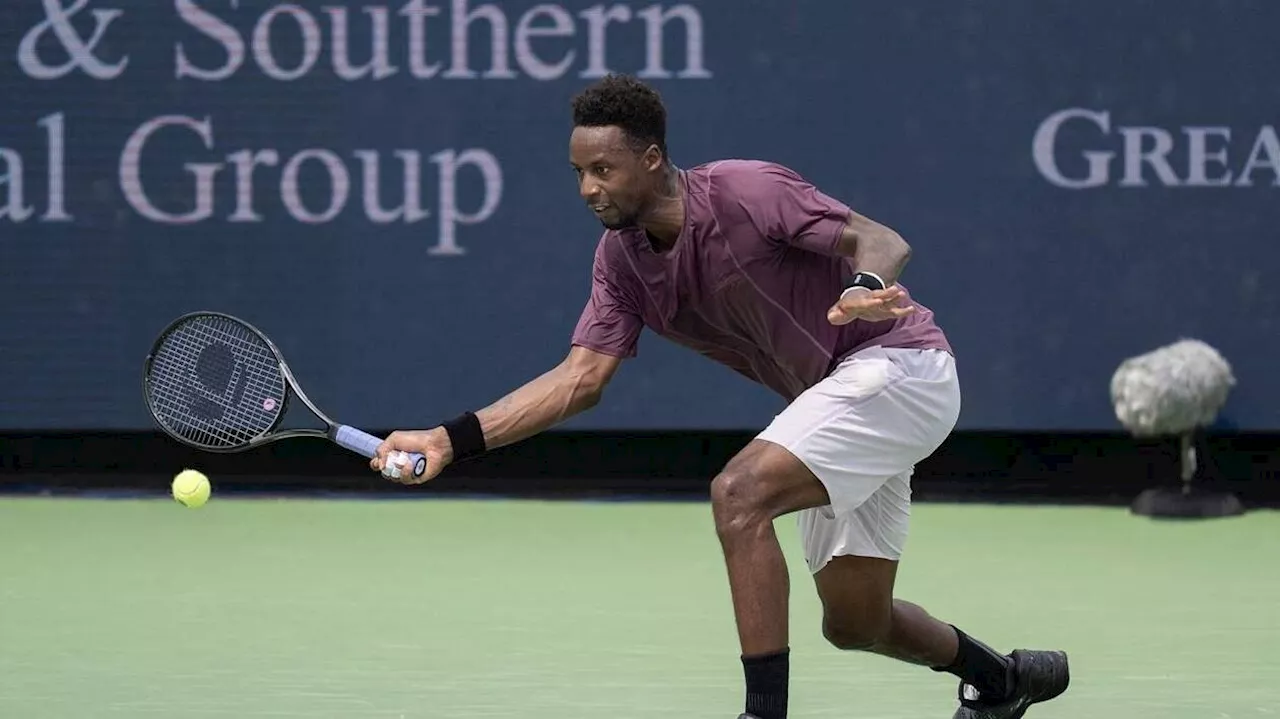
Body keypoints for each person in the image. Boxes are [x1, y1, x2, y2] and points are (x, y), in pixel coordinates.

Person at [370, 74, 1070, 719]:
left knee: (739, 494)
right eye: (579, 172)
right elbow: (580, 379)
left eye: (603, 169)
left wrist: (861, 289)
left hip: (897, 365)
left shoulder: (742, 190)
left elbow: (882, 240)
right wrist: (447, 438)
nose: (588, 187)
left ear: (650, 160)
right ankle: (1001, 680)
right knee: (856, 622)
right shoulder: (620, 263)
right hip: (838, 395)